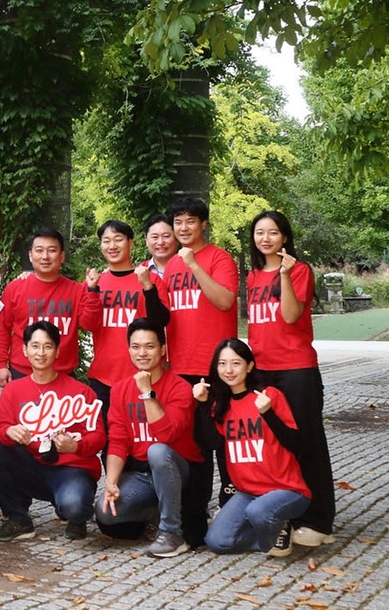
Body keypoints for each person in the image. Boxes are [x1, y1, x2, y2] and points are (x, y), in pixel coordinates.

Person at [246, 210, 335, 547]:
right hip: (263, 369)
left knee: (307, 441)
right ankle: (289, 512)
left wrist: (284, 275)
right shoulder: (253, 276)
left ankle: (320, 520)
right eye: (259, 232)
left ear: (284, 237)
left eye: (272, 232)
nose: (265, 238)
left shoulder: (299, 270)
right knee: (275, 443)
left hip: (296, 369)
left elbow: (291, 314)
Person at [0, 321, 105, 542]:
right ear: (25, 350)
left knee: (74, 506)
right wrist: (10, 432)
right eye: (35, 346)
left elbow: (98, 437)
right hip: (31, 465)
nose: (41, 353)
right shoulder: (13, 390)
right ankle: (18, 518)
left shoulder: (82, 392)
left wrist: (76, 445)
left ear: (57, 351)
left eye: (48, 346)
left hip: (71, 468)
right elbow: (0, 429)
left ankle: (76, 516)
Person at [163, 196, 238, 543]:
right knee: (192, 447)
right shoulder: (171, 266)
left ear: (203, 224)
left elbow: (225, 300)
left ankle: (232, 506)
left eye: (190, 221)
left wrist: (194, 266)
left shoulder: (219, 258)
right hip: (181, 369)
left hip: (217, 368)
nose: (183, 228)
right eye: (178, 222)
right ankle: (195, 517)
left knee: (222, 440)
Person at [194, 339, 310, 557]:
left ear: (249, 366)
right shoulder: (221, 405)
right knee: (217, 542)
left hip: (286, 490)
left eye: (236, 363)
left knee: (258, 511)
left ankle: (277, 525)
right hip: (248, 492)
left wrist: (268, 414)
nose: (228, 370)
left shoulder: (269, 395)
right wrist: (202, 404)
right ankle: (272, 536)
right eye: (222, 364)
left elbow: (297, 444)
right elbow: (214, 443)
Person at [95, 319, 200, 557]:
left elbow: (166, 435)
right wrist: (111, 482)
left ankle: (172, 533)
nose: (142, 353)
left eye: (149, 346)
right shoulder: (120, 389)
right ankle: (158, 510)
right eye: (135, 346)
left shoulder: (179, 388)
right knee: (105, 514)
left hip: (177, 469)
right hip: (143, 475)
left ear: (163, 349)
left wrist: (147, 393)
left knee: (157, 450)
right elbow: (119, 440)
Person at [79, 219, 170, 416]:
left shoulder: (150, 280)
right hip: (103, 377)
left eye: (118, 239)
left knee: (143, 440)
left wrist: (147, 287)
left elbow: (161, 321)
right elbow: (88, 324)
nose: (112, 246)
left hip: (144, 376)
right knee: (105, 438)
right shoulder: (95, 282)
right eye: (106, 241)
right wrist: (93, 290)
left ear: (130, 243)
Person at [0, 227, 88, 387]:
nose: (45, 256)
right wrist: (1, 365)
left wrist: (92, 291)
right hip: (22, 372)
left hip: (63, 373)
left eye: (52, 250)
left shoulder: (77, 290)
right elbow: (2, 329)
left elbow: (90, 324)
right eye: (39, 250)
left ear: (62, 256)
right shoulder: (15, 288)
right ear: (30, 255)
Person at [141, 214, 178, 279]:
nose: (160, 242)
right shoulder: (138, 272)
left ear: (177, 239)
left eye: (166, 236)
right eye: (155, 237)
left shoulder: (189, 266)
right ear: (146, 240)